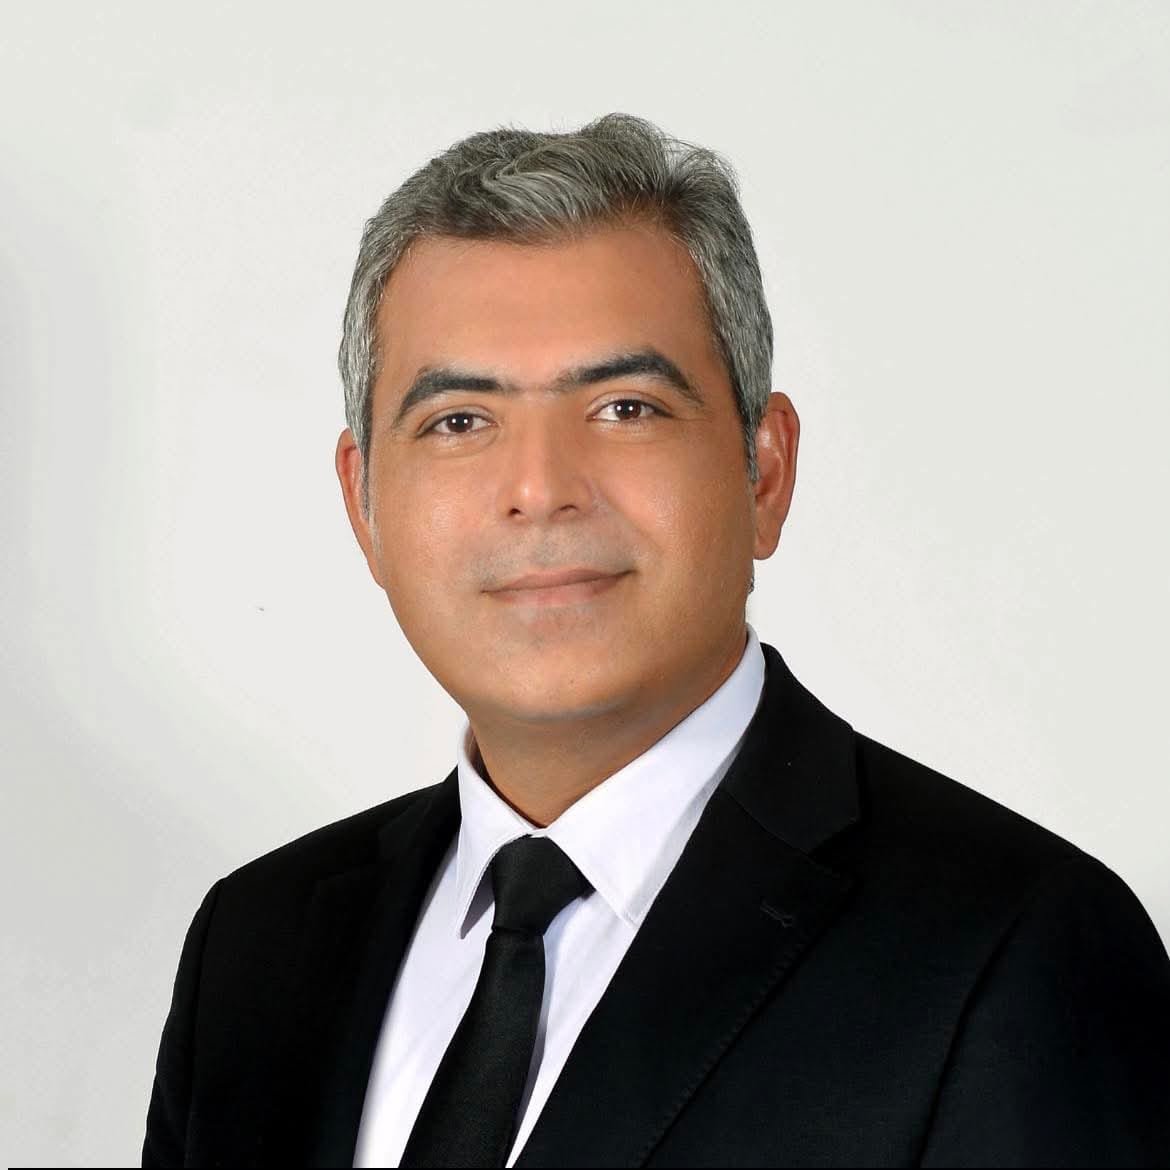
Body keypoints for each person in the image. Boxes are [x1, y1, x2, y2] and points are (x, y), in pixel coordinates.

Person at [142, 113, 1170, 1168]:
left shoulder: (1016, 950)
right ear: (362, 504)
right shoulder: (257, 948)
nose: (540, 488)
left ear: (764, 471)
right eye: (459, 421)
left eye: (625, 408)